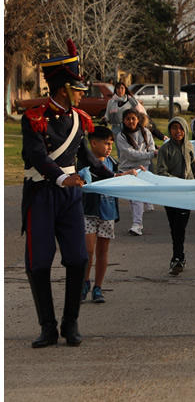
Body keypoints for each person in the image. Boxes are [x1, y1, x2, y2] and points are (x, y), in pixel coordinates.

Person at [21, 39, 116, 347]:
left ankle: (70, 323)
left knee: (77, 259)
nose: (81, 94)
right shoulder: (34, 117)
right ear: (63, 89)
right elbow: (38, 157)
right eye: (78, 89)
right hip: (42, 194)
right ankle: (47, 326)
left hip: (70, 198)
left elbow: (88, 159)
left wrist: (118, 177)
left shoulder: (78, 119)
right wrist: (63, 179)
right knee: (39, 263)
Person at [78, 126, 133, 304]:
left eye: (111, 144)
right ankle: (84, 283)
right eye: (106, 143)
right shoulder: (83, 162)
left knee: (103, 250)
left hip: (107, 211)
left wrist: (134, 176)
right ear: (93, 143)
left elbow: (118, 181)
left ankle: (98, 287)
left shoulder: (113, 163)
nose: (109, 147)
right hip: (88, 211)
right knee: (88, 249)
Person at [156, 117, 195, 275]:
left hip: (186, 194)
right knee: (174, 226)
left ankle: (177, 258)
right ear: (170, 130)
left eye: (181, 128)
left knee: (180, 226)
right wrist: (178, 182)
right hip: (171, 194)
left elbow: (194, 166)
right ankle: (178, 257)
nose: (178, 132)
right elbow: (161, 172)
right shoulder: (165, 149)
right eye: (174, 128)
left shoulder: (189, 146)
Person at [117, 108, 157, 236]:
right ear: (123, 121)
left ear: (138, 119)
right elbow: (131, 155)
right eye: (128, 119)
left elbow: (151, 146)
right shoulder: (121, 136)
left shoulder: (145, 132)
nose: (131, 121)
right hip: (127, 170)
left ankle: (137, 225)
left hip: (142, 169)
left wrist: (151, 153)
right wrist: (151, 154)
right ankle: (137, 222)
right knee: (132, 199)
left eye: (133, 118)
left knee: (136, 197)